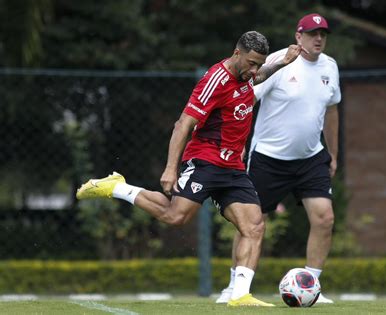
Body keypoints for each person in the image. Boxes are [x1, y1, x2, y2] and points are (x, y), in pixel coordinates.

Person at [76, 31, 304, 307]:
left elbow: (259, 75)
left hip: (232, 167)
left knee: (254, 225)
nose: (254, 70)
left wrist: (282, 63)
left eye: (259, 63)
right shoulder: (215, 80)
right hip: (205, 160)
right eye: (252, 63)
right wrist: (171, 169)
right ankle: (118, 187)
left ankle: (240, 295)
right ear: (236, 54)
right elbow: (183, 124)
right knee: (175, 217)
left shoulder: (246, 75)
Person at [215, 13, 341, 304]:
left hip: (311, 158)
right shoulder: (278, 62)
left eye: (322, 34)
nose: (318, 38)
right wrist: (238, 143)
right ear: (299, 36)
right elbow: (245, 99)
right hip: (268, 158)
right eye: (312, 33)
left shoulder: (330, 67)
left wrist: (333, 153)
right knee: (252, 222)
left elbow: (332, 110)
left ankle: (312, 285)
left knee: (325, 217)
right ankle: (234, 286)